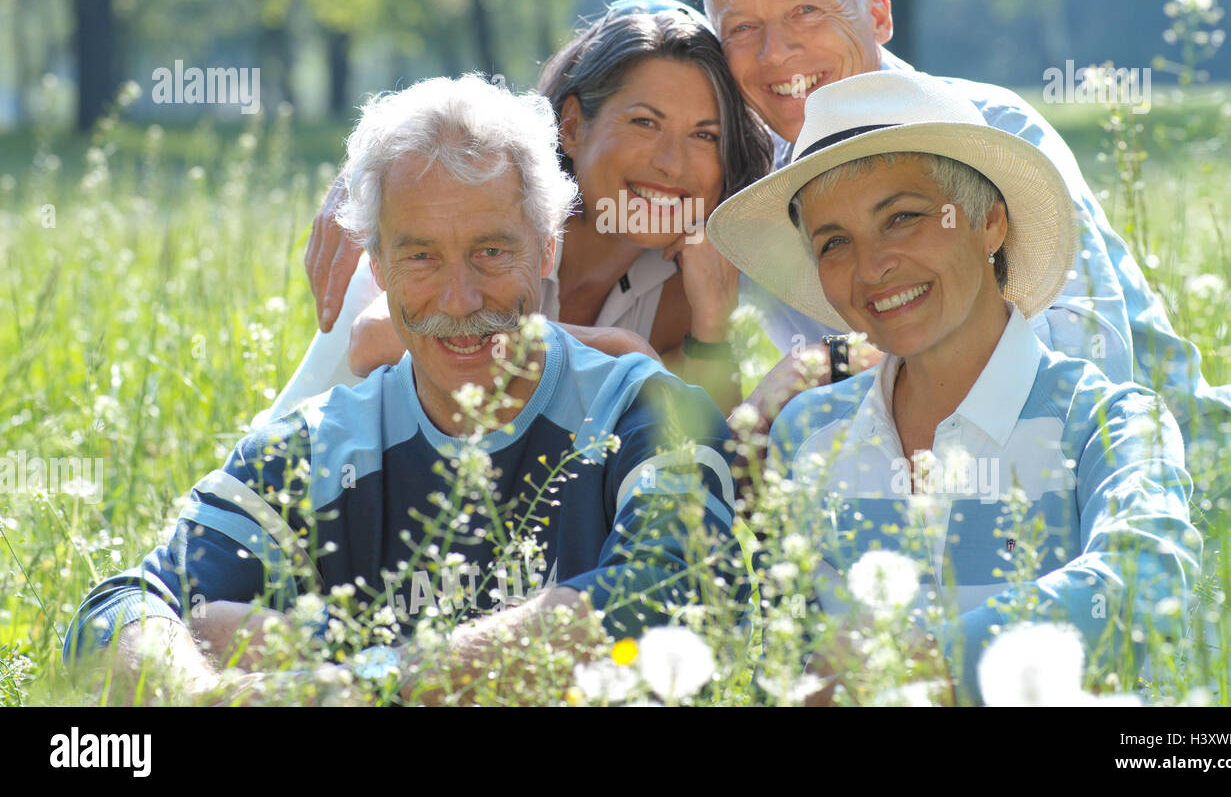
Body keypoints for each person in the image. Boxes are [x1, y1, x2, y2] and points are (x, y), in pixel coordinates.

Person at [690, 0, 1231, 691]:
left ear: (878, 11)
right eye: (742, 29)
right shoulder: (766, 180)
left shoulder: (989, 140)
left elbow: (1065, 407)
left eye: (806, 10)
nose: (776, 53)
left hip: (1180, 542)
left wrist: (934, 656)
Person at [63, 74, 738, 704]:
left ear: (548, 248)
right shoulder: (318, 443)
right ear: (378, 266)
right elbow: (116, 612)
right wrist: (207, 697)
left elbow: (670, 591)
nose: (460, 296)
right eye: (420, 256)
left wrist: (349, 678)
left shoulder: (649, 412)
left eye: (492, 251)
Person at [707, 69, 1202, 705]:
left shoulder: (1109, 421)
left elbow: (1150, 577)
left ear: (990, 222)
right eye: (834, 243)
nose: (871, 266)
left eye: (903, 217)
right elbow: (790, 659)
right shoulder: (809, 432)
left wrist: (931, 665)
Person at [272, 0, 771, 422]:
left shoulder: (684, 279)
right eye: (645, 123)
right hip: (297, 493)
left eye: (706, 135)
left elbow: (709, 466)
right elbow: (374, 340)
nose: (672, 164)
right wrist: (619, 351)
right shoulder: (487, 207)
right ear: (572, 127)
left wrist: (713, 323)